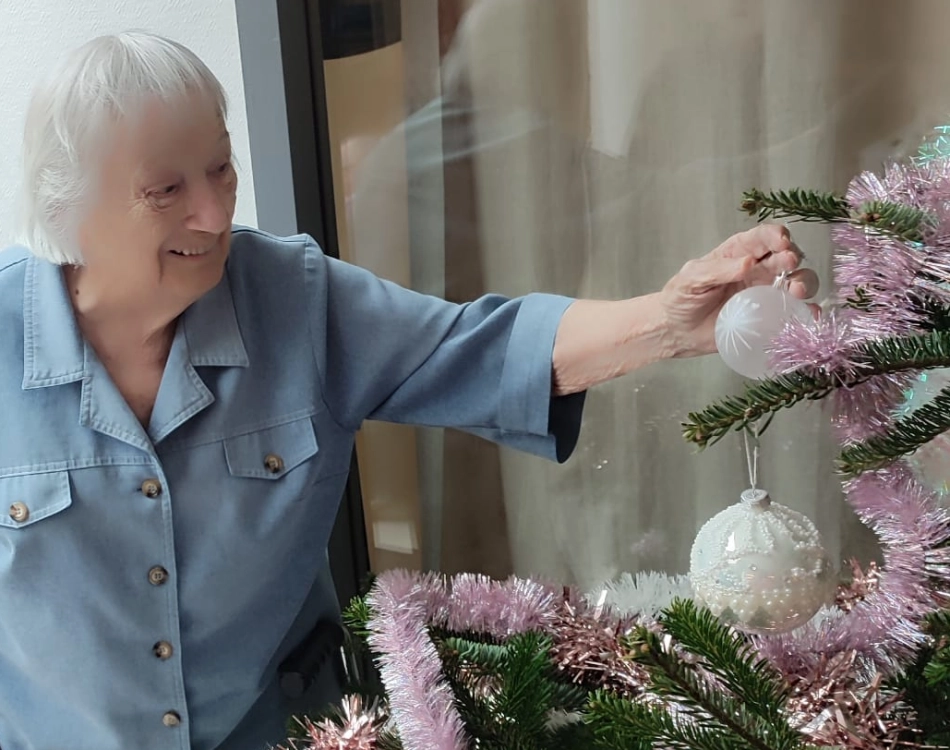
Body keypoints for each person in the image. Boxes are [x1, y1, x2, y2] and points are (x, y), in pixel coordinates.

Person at [0, 31, 817, 750]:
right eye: (167, 190)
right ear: (67, 207)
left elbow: (486, 347)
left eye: (221, 167)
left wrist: (671, 323)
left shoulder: (294, 297)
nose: (215, 214)